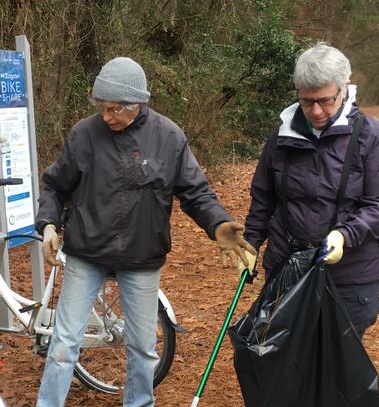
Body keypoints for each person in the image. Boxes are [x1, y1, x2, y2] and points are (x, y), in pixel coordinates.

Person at [35, 57, 256, 407]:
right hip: (86, 252)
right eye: (101, 107)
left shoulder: (168, 137)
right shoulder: (84, 134)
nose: (106, 116)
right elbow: (54, 186)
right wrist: (48, 223)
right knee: (63, 344)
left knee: (142, 348)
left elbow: (196, 192)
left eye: (114, 109)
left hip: (141, 257)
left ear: (137, 103)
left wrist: (217, 223)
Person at [242, 43, 379, 405]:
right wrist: (251, 242)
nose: (316, 110)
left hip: (349, 276)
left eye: (326, 101)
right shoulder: (281, 136)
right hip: (288, 267)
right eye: (307, 100)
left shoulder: (370, 137)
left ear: (345, 87)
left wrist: (345, 235)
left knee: (335, 367)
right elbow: (264, 195)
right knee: (285, 358)